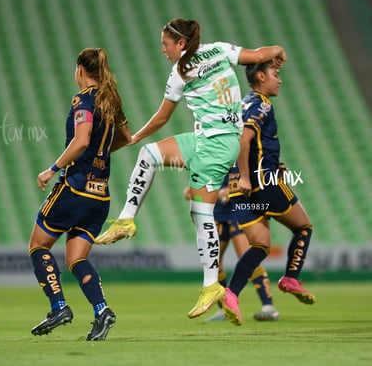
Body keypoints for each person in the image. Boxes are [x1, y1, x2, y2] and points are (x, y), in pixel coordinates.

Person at [95, 18, 287, 319]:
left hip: (217, 145)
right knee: (150, 155)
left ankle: (211, 285)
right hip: (204, 138)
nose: (163, 49)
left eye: (166, 44)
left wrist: (133, 136)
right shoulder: (220, 50)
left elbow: (161, 118)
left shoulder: (180, 72)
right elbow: (259, 54)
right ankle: (126, 221)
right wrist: (277, 49)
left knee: (201, 214)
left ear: (181, 44)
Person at [28, 48, 131, 340]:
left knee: (38, 246)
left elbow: (82, 139)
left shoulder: (83, 99)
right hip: (100, 196)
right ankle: (102, 311)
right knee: (76, 259)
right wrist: (100, 155)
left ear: (80, 70)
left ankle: (59, 306)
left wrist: (52, 169)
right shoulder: (112, 101)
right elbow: (127, 138)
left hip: (75, 188)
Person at [221, 61, 316, 326]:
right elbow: (244, 140)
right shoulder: (261, 103)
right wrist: (248, 174)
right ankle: (291, 278)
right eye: (276, 74)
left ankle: (231, 294)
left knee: (260, 245)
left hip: (237, 191)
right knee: (304, 227)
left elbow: (240, 143)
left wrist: (241, 176)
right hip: (264, 183)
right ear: (261, 76)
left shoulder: (240, 104)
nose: (279, 80)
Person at [184, 170, 280, 322]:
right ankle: (223, 309)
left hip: (238, 212)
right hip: (217, 213)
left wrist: (226, 191)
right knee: (215, 262)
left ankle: (268, 306)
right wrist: (193, 189)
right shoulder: (213, 158)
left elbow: (246, 181)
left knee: (247, 257)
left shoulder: (238, 156)